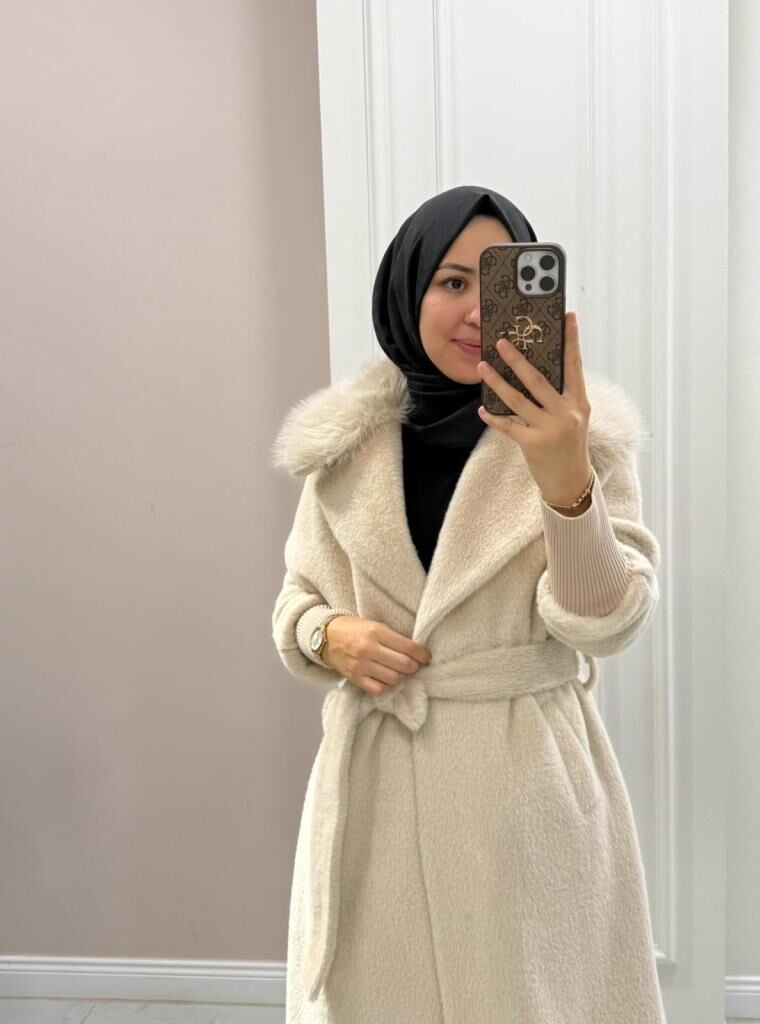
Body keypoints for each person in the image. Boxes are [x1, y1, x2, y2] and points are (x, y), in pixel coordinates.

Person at [271, 185, 667, 1023]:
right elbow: (297, 599)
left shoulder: (584, 439)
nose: (478, 310)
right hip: (377, 790)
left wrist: (566, 482)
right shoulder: (343, 449)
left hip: (521, 794)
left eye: (499, 282)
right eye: (452, 281)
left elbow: (608, 623)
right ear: (407, 290)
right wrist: (327, 634)